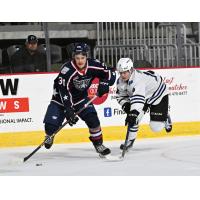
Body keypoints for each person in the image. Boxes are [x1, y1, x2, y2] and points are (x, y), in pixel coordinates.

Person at [43, 43, 116, 157]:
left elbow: (110, 72)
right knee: (50, 127)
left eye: (82, 57)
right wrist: (68, 109)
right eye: (77, 58)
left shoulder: (94, 65)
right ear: (73, 57)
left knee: (93, 121)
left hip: (80, 99)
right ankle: (49, 135)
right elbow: (63, 90)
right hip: (60, 100)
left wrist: (105, 82)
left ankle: (98, 144)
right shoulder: (67, 70)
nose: (80, 61)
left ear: (87, 56)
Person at [116, 58, 172, 151]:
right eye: (120, 73)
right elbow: (120, 96)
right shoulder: (120, 81)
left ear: (131, 70)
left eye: (125, 72)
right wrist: (126, 105)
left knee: (156, 127)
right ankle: (129, 142)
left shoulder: (138, 80)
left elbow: (138, 100)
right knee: (135, 118)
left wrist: (133, 112)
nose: (122, 75)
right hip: (144, 96)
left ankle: (165, 116)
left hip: (158, 93)